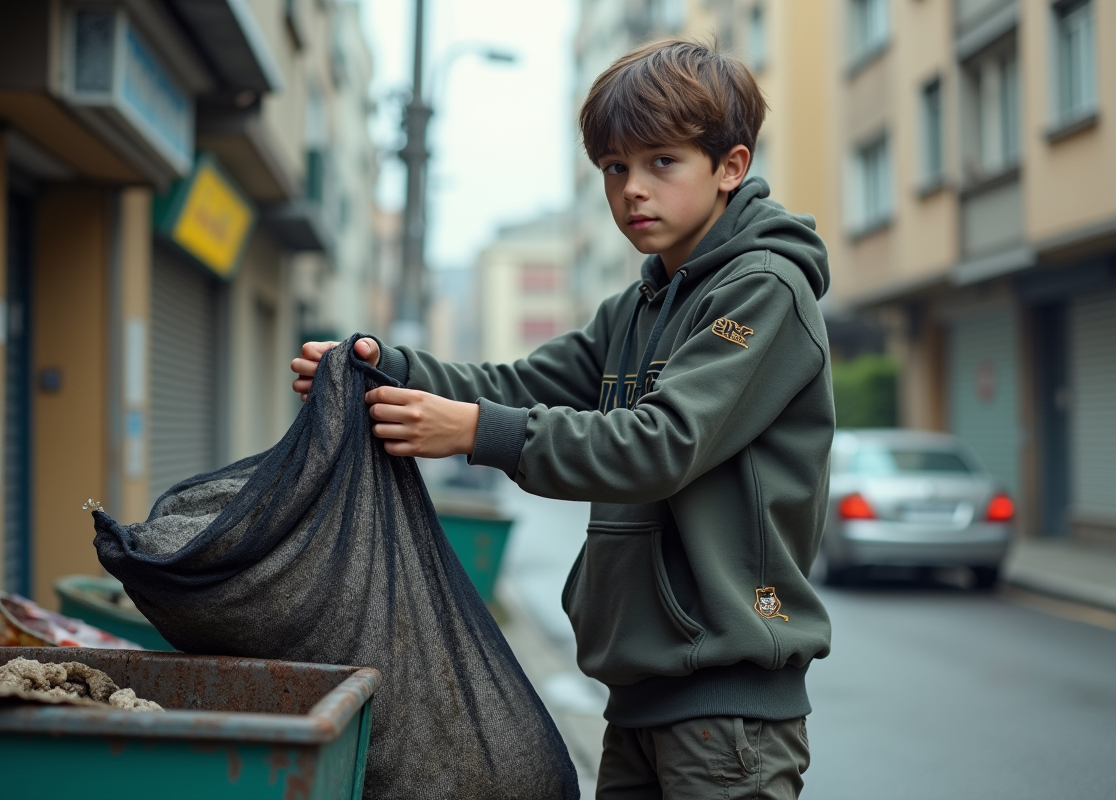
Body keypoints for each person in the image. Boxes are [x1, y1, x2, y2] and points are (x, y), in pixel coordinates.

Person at [292, 38, 833, 800]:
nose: (632, 191)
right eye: (615, 169)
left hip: (726, 710)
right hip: (641, 696)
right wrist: (390, 367)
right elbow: (523, 382)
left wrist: (476, 432)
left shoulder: (764, 290)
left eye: (662, 163)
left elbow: (661, 444)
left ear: (730, 168)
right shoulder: (639, 306)